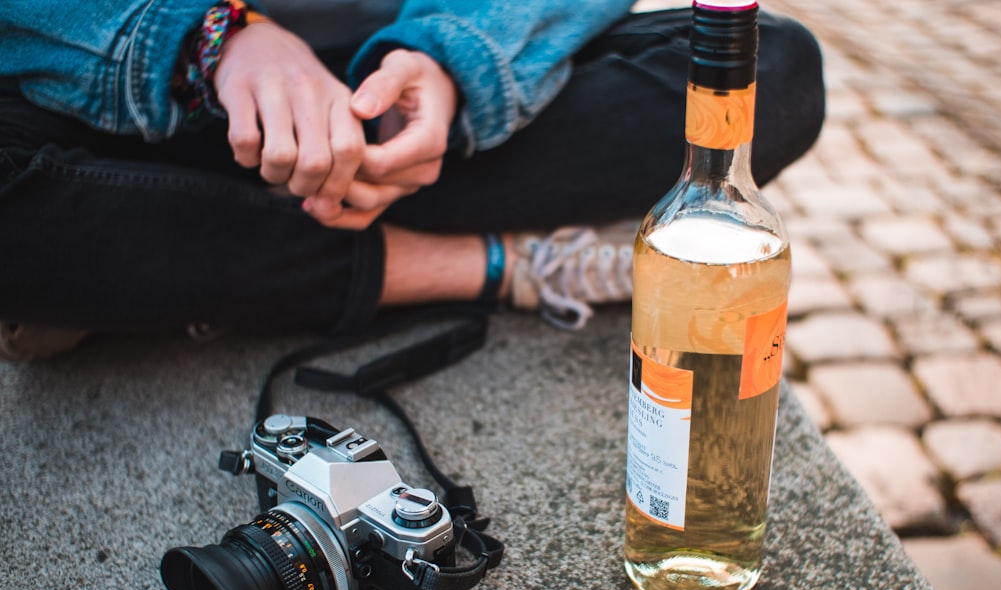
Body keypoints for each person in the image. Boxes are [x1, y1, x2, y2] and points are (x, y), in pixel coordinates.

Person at [0, 0, 825, 361]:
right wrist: (214, 37)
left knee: (770, 67)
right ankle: (504, 265)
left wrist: (455, 60)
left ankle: (164, 266)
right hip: (141, 96)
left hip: (404, 94)